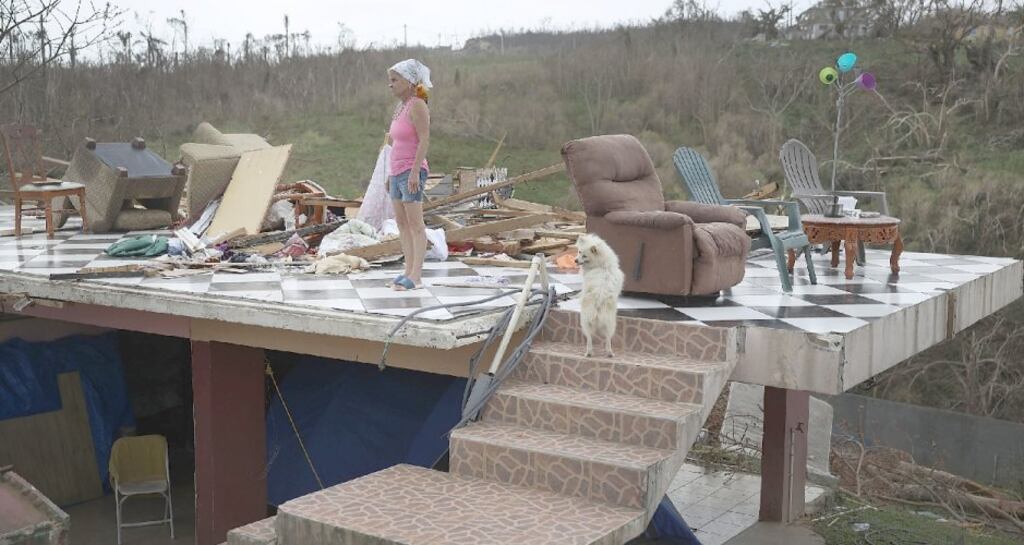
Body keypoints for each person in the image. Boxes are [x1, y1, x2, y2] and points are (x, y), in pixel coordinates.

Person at [384, 59, 431, 291]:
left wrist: (414, 172)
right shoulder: (400, 108)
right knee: (401, 223)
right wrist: (389, 174)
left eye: (395, 80)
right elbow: (394, 144)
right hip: (396, 172)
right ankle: (407, 270)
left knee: (415, 224)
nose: (390, 85)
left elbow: (424, 139)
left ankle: (416, 275)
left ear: (410, 82)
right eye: (389, 80)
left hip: (411, 171)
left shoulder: (417, 105)